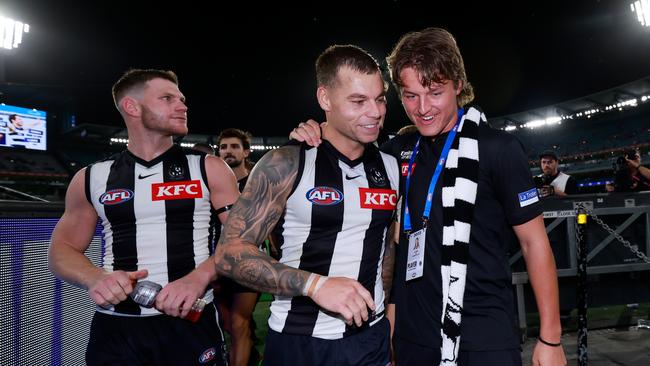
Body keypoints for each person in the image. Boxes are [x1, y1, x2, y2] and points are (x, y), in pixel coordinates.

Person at [290, 28, 566, 366]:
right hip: (413, 335)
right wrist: (318, 130)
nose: (422, 108)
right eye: (409, 95)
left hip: (483, 335)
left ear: (458, 85)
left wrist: (550, 338)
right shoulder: (398, 152)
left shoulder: (498, 149)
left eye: (434, 92)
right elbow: (346, 144)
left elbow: (535, 244)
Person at [214, 44, 399, 366]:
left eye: (380, 98)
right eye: (358, 101)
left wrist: (386, 321)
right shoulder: (285, 162)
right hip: (301, 341)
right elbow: (229, 254)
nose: (375, 112)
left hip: (372, 340)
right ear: (325, 99)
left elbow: (385, 250)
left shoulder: (391, 166)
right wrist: (315, 285)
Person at [48, 69, 239, 365]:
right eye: (167, 98)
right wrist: (94, 278)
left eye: (182, 99)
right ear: (132, 107)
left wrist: (197, 279)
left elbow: (244, 239)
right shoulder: (91, 177)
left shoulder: (209, 168)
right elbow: (62, 249)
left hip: (189, 324)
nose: (182, 105)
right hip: (116, 329)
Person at [215, 127, 260, 366]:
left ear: (246, 152)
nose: (228, 151)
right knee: (228, 326)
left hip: (248, 261)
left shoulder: (258, 182)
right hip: (215, 263)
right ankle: (251, 356)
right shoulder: (211, 184)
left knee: (238, 323)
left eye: (234, 146)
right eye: (223, 147)